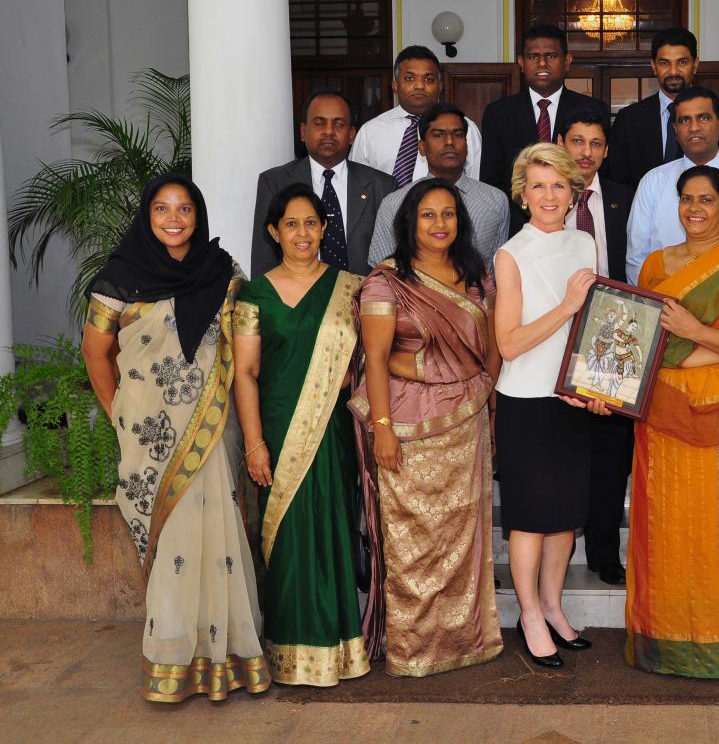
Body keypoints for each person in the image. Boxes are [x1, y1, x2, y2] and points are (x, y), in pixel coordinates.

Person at [81, 174, 271, 702]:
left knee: (220, 535)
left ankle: (227, 656)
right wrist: (119, 412)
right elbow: (96, 354)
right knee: (175, 544)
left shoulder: (223, 273)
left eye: (184, 209)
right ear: (147, 216)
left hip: (213, 427)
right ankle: (173, 658)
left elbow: (242, 349)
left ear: (198, 216)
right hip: (150, 433)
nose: (173, 218)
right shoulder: (119, 279)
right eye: (162, 209)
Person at [626, 164, 719, 679]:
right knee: (661, 525)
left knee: (718, 526)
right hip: (659, 408)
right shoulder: (653, 265)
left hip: (718, 411)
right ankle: (659, 643)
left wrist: (693, 333)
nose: (695, 209)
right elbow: (637, 340)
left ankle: (715, 648)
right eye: (687, 198)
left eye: (707, 200)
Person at [353, 177, 503, 676]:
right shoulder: (387, 281)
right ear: (409, 222)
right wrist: (383, 429)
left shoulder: (476, 274)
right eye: (428, 215)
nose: (440, 224)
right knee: (414, 539)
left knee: (464, 537)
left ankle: (466, 641)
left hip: (468, 420)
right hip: (409, 425)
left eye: (448, 214)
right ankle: (414, 650)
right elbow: (375, 360)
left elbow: (489, 349)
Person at [232, 184, 369, 687]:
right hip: (276, 429)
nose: (302, 233)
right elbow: (244, 373)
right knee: (288, 543)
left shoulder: (352, 288)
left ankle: (341, 651)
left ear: (325, 229)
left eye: (311, 222)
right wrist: (253, 442)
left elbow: (365, 364)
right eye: (291, 224)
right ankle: (289, 652)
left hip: (332, 434)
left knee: (332, 530)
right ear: (274, 232)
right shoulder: (253, 295)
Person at [494, 143, 598, 668]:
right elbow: (508, 343)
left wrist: (601, 388)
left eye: (558, 184)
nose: (549, 195)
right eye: (538, 185)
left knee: (564, 517)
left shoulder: (585, 244)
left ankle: (554, 607)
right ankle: (529, 615)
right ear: (522, 194)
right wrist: (567, 305)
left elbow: (595, 329)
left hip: (572, 399)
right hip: (526, 400)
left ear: (572, 190)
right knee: (530, 519)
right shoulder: (510, 253)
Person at [556, 109, 635, 585]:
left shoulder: (625, 199)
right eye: (578, 141)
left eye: (596, 143)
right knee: (566, 449)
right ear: (562, 143)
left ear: (606, 151)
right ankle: (559, 549)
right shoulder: (544, 201)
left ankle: (605, 551)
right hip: (558, 335)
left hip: (614, 340)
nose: (586, 152)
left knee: (610, 449)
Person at [626, 87, 719, 283]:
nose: (694, 127)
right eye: (685, 120)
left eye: (703, 118)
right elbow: (637, 259)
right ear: (675, 131)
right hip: (660, 305)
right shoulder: (653, 181)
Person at [251, 89, 397, 277]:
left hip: (366, 300)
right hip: (295, 302)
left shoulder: (382, 186)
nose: (328, 132)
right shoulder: (274, 183)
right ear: (303, 132)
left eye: (339, 124)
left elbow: (392, 261)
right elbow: (264, 260)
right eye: (319, 123)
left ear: (352, 134)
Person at [367, 103, 509, 270]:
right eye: (438, 135)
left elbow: (497, 273)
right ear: (421, 147)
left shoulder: (496, 200)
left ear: (467, 146)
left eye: (458, 134)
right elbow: (384, 273)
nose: (449, 142)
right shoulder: (395, 204)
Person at [479, 24, 609, 199]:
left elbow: (604, 173)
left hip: (578, 212)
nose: (542, 63)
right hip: (518, 219)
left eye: (551, 56)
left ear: (567, 61)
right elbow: (491, 182)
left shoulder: (593, 109)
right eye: (533, 56)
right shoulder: (499, 113)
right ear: (521, 63)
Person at [607, 27, 719, 189]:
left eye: (682, 62)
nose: (673, 71)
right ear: (654, 66)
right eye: (664, 63)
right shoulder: (629, 118)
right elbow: (617, 180)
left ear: (695, 65)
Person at [350, 45, 483, 186]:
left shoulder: (464, 129)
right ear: (395, 85)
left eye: (429, 79)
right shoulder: (369, 132)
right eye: (409, 78)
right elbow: (357, 187)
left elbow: (475, 185)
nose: (419, 86)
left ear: (440, 86)